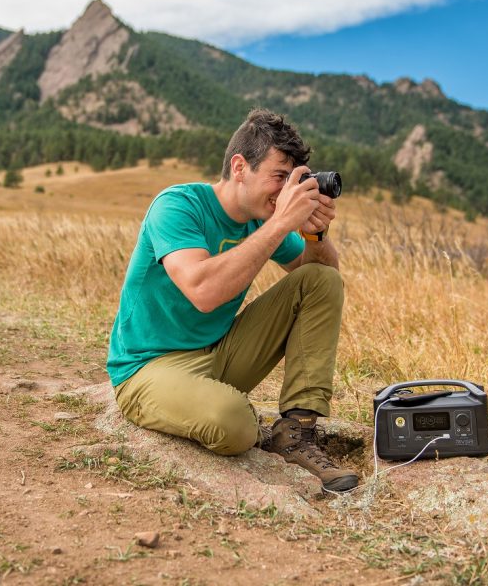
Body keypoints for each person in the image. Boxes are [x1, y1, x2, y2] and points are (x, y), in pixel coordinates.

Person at [106, 108, 358, 492]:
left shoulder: (261, 217)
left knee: (320, 279)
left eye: (292, 180)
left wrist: (315, 235)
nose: (285, 191)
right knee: (235, 424)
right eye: (279, 177)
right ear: (240, 167)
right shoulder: (178, 206)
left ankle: (297, 433)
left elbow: (322, 278)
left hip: (218, 353)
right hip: (148, 368)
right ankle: (232, 415)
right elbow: (204, 292)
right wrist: (280, 224)